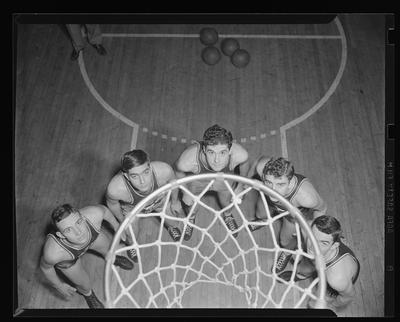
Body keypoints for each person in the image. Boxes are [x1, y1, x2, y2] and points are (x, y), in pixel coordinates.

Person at [40, 204, 134, 309]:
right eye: (68, 230)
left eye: (79, 222)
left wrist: (116, 226)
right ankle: (89, 295)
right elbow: (46, 268)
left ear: (83, 218)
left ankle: (114, 258)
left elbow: (105, 211)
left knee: (108, 249)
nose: (78, 232)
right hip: (68, 257)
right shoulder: (53, 253)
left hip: (91, 238)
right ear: (61, 235)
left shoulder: (95, 213)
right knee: (84, 284)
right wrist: (58, 285)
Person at [247, 156, 327, 274]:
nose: (273, 189)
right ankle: (264, 220)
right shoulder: (261, 167)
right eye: (268, 182)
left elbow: (322, 208)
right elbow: (256, 164)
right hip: (270, 202)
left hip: (290, 216)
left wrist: (314, 234)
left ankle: (287, 252)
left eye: (280, 184)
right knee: (260, 214)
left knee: (284, 242)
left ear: (290, 183)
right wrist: (245, 182)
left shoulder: (306, 197)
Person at [174, 124, 250, 241]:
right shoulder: (188, 161)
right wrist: (185, 191)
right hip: (199, 181)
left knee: (228, 202)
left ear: (230, 150)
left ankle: (228, 215)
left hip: (223, 179)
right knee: (190, 205)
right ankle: (191, 218)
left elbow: (245, 163)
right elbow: (178, 171)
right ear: (204, 149)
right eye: (211, 152)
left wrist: (241, 186)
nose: (216, 160)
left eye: (222, 153)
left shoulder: (240, 154)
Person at [105, 149, 183, 262]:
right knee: (130, 235)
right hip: (133, 210)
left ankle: (171, 227)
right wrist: (122, 221)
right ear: (126, 176)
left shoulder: (164, 170)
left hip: (159, 201)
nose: (142, 181)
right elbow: (112, 204)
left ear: (150, 167)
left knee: (174, 222)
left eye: (146, 172)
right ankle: (131, 245)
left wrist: (175, 202)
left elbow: (174, 183)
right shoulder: (115, 189)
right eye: (134, 176)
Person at [279, 215, 360, 312]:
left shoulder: (337, 279)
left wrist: (332, 306)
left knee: (314, 303)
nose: (314, 246)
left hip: (332, 284)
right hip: (321, 258)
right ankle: (301, 275)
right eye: (313, 237)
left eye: (323, 243)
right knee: (304, 267)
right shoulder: (308, 228)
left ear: (334, 246)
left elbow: (348, 297)